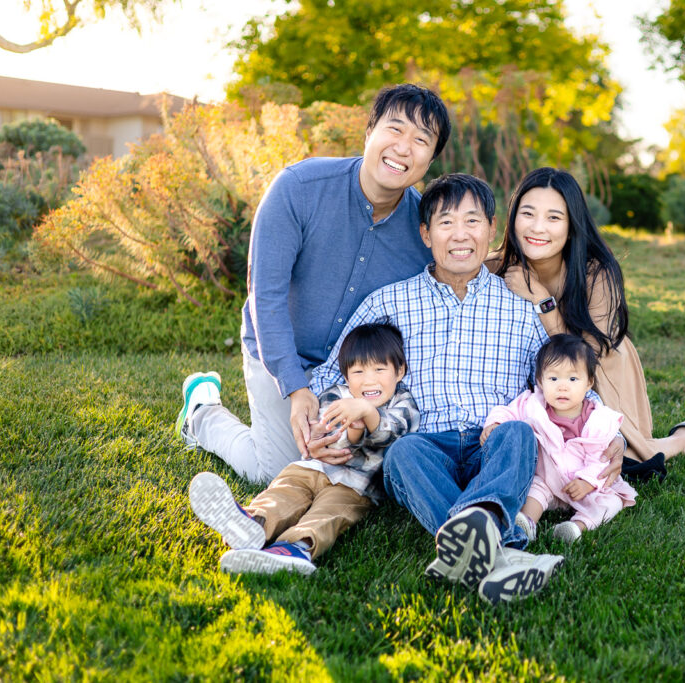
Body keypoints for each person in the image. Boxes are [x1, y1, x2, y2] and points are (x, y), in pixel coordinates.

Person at [310, 174, 618, 603]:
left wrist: (609, 431)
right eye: (445, 222)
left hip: (491, 445)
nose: (460, 235)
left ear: (491, 230)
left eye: (472, 221)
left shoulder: (518, 308)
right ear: (425, 233)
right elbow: (329, 376)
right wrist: (317, 421)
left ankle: (473, 547)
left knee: (519, 434)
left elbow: (563, 380)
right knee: (401, 453)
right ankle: (505, 550)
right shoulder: (389, 302)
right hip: (424, 448)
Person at [176, 83, 450, 485]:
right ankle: (202, 413)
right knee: (276, 473)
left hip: (352, 373)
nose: (404, 147)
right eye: (394, 129)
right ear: (369, 131)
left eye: (421, 139)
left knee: (339, 467)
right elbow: (264, 298)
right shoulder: (298, 188)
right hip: (278, 351)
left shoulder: (423, 233)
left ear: (430, 160)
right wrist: (294, 387)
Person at [491, 167, 685, 481]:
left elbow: (587, 356)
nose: (538, 228)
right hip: (531, 376)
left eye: (554, 218)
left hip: (597, 369)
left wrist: (543, 300)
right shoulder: (495, 267)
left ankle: (683, 440)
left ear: (572, 225)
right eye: (528, 214)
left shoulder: (597, 273)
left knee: (612, 461)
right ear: (513, 216)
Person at [188, 322, 419, 575]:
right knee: (284, 493)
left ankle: (294, 548)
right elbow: (327, 437)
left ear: (400, 371)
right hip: (311, 468)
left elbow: (392, 432)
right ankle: (252, 522)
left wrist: (365, 414)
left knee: (329, 514)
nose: (369, 380)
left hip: (355, 486)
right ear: (345, 375)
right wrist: (335, 431)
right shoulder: (336, 395)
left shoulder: (404, 403)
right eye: (359, 372)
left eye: (379, 369)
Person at [483, 334, 637, 544]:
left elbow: (600, 459)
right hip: (549, 478)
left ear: (589, 383)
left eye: (573, 379)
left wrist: (587, 483)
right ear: (540, 381)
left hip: (583, 485)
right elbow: (508, 412)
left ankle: (576, 527)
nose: (562, 387)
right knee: (535, 488)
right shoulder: (533, 405)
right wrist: (496, 423)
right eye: (553, 379)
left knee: (610, 502)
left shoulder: (598, 419)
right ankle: (527, 521)